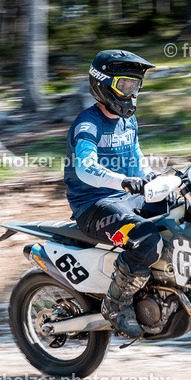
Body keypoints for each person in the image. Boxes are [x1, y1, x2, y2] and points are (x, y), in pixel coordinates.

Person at [64, 49, 166, 339]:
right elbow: (85, 169)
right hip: (94, 206)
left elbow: (137, 159)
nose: (131, 93)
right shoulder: (88, 124)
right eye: (125, 85)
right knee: (146, 239)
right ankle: (116, 305)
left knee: (184, 210)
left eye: (135, 86)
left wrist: (150, 178)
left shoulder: (128, 120)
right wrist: (123, 181)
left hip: (125, 197)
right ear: (103, 84)